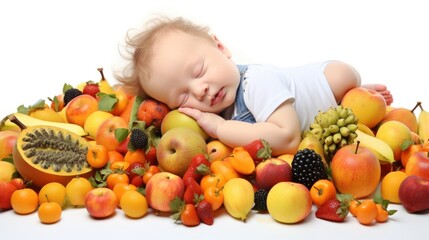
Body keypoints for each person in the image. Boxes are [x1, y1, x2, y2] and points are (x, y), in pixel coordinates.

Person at [116, 16, 393, 156]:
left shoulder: (256, 83)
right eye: (183, 96)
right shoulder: (209, 113)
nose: (199, 90)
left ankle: (353, 95)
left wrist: (221, 129)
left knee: (344, 75)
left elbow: (287, 138)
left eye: (199, 71)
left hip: (320, 81)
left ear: (221, 48)